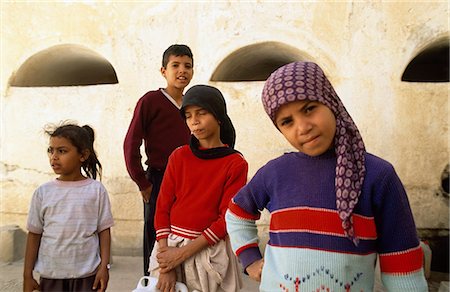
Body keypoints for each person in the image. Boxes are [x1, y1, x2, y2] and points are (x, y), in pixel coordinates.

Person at [225, 61, 428, 291]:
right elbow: (237, 214)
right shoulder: (275, 173)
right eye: (287, 122)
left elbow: (402, 263)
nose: (302, 127)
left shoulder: (377, 176)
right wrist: (250, 259)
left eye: (309, 108)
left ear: (330, 101)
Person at [149, 85, 248, 292]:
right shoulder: (179, 156)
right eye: (188, 115)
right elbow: (162, 208)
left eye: (202, 113)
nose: (194, 121)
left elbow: (226, 219)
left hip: (209, 253)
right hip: (169, 246)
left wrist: (181, 255)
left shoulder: (235, 163)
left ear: (219, 116)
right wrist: (167, 264)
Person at [123, 44, 193, 276]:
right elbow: (131, 142)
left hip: (191, 181)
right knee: (156, 237)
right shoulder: (151, 101)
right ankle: (152, 283)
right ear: (163, 71)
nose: (182, 70)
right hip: (160, 179)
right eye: (175, 65)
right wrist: (142, 183)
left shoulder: (193, 104)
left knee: (186, 234)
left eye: (188, 66)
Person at [23, 123, 114, 292]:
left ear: (83, 155)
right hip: (52, 275)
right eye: (51, 150)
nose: (54, 157)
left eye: (62, 151)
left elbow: (104, 231)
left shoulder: (96, 190)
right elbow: (34, 235)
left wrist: (104, 267)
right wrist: (27, 275)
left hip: (87, 275)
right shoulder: (43, 193)